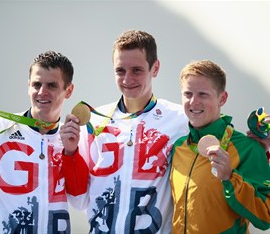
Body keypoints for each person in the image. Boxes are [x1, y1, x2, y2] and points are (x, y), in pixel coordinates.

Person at [60, 30, 188, 233]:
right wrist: (70, 153)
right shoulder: (95, 120)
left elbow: (220, 145)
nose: (128, 79)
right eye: (120, 70)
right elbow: (79, 201)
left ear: (155, 68)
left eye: (136, 70)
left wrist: (256, 146)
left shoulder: (180, 119)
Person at [0, 50, 88, 233]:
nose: (42, 92)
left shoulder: (74, 138)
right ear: (28, 85)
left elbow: (80, 201)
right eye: (36, 84)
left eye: (51, 85)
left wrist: (71, 153)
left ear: (68, 90)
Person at [170, 60, 270, 233]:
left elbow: (266, 217)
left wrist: (229, 178)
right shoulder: (179, 147)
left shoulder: (248, 148)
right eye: (188, 94)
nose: (193, 102)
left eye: (203, 94)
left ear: (222, 98)